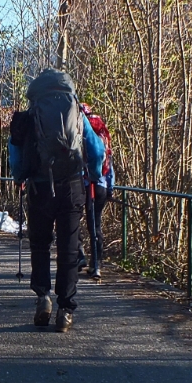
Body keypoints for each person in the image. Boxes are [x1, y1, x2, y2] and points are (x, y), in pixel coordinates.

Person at [9, 69, 106, 332]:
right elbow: (97, 151)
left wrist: (20, 176)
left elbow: (16, 154)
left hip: (40, 187)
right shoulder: (76, 113)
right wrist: (94, 176)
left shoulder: (30, 115)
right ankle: (66, 310)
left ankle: (43, 298)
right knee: (69, 248)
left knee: (40, 244)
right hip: (72, 186)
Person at [75, 104, 116, 280]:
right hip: (101, 184)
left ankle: (79, 255)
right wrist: (110, 188)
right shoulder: (103, 134)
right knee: (95, 224)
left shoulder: (80, 129)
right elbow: (110, 162)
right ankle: (96, 264)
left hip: (82, 182)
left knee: (72, 219)